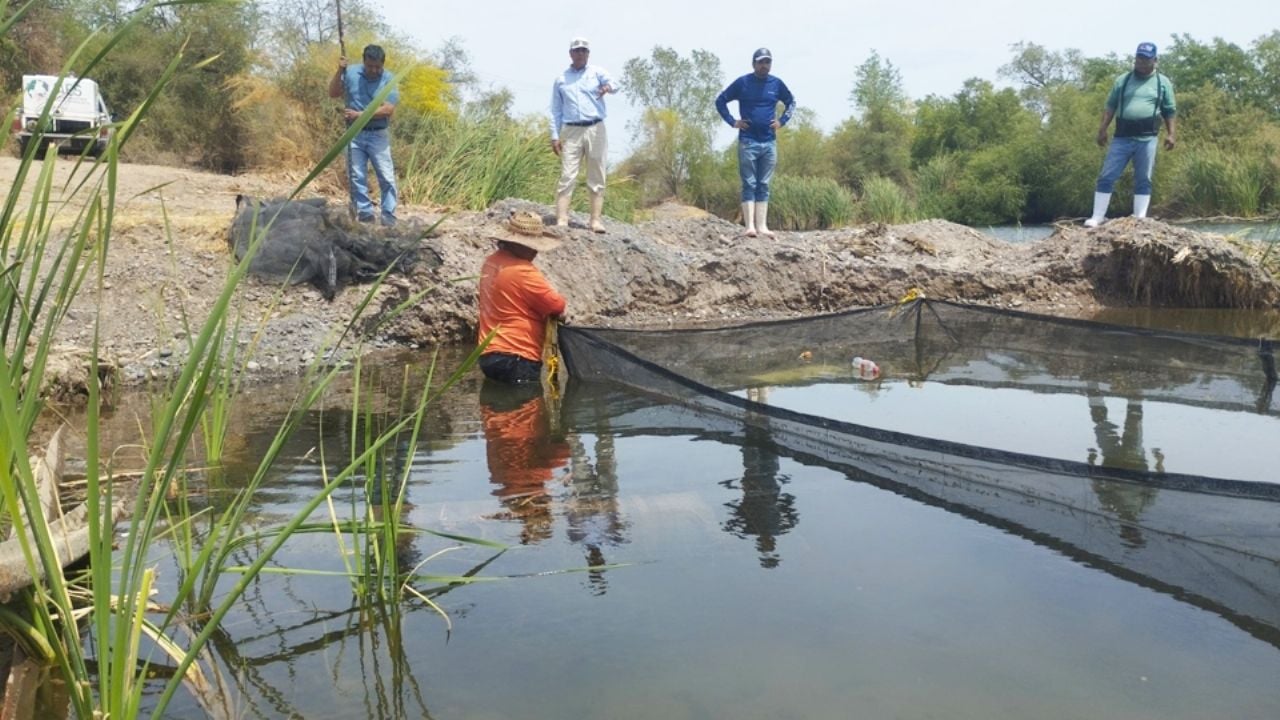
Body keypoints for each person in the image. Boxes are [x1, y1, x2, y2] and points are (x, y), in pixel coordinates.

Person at [1083, 42, 1177, 227]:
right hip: (1122, 137)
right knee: (1107, 175)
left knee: (1143, 178)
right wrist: (1102, 130)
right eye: (1138, 58)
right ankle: (1097, 217)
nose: (1141, 62)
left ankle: (1139, 218)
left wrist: (1171, 134)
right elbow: (1110, 107)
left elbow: (1170, 110)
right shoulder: (1123, 80)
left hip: (1148, 138)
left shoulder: (1162, 82)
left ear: (1155, 60)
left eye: (1145, 59)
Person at [477, 211, 567, 384]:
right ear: (516, 244)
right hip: (518, 357)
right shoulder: (523, 271)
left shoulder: (490, 262)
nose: (536, 251)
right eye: (531, 245)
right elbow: (557, 305)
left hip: (488, 355)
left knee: (494, 409)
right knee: (526, 409)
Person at [715, 47, 796, 239]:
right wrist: (733, 121)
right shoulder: (743, 83)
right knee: (749, 182)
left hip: (769, 141)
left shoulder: (776, 84)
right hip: (748, 141)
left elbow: (791, 102)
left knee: (764, 183)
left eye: (767, 62)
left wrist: (782, 121)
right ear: (754, 64)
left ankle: (762, 226)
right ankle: (749, 226)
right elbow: (721, 101)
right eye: (760, 62)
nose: (764, 65)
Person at [549, 37, 616, 233]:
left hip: (595, 127)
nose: (581, 54)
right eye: (577, 51)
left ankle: (595, 220)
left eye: (584, 51)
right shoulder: (561, 79)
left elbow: (614, 84)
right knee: (568, 174)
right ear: (570, 54)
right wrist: (554, 135)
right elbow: (555, 110)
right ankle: (562, 219)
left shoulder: (597, 73)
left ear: (588, 54)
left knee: (597, 172)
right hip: (571, 130)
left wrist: (607, 88)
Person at [328, 44, 400, 226]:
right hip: (354, 134)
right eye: (370, 66)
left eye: (377, 67)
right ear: (364, 62)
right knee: (356, 175)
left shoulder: (388, 78)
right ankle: (365, 213)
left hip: (378, 135)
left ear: (382, 64)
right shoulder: (351, 73)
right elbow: (334, 93)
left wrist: (360, 115)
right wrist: (339, 71)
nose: (374, 70)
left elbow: (388, 109)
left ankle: (388, 215)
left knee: (386, 176)